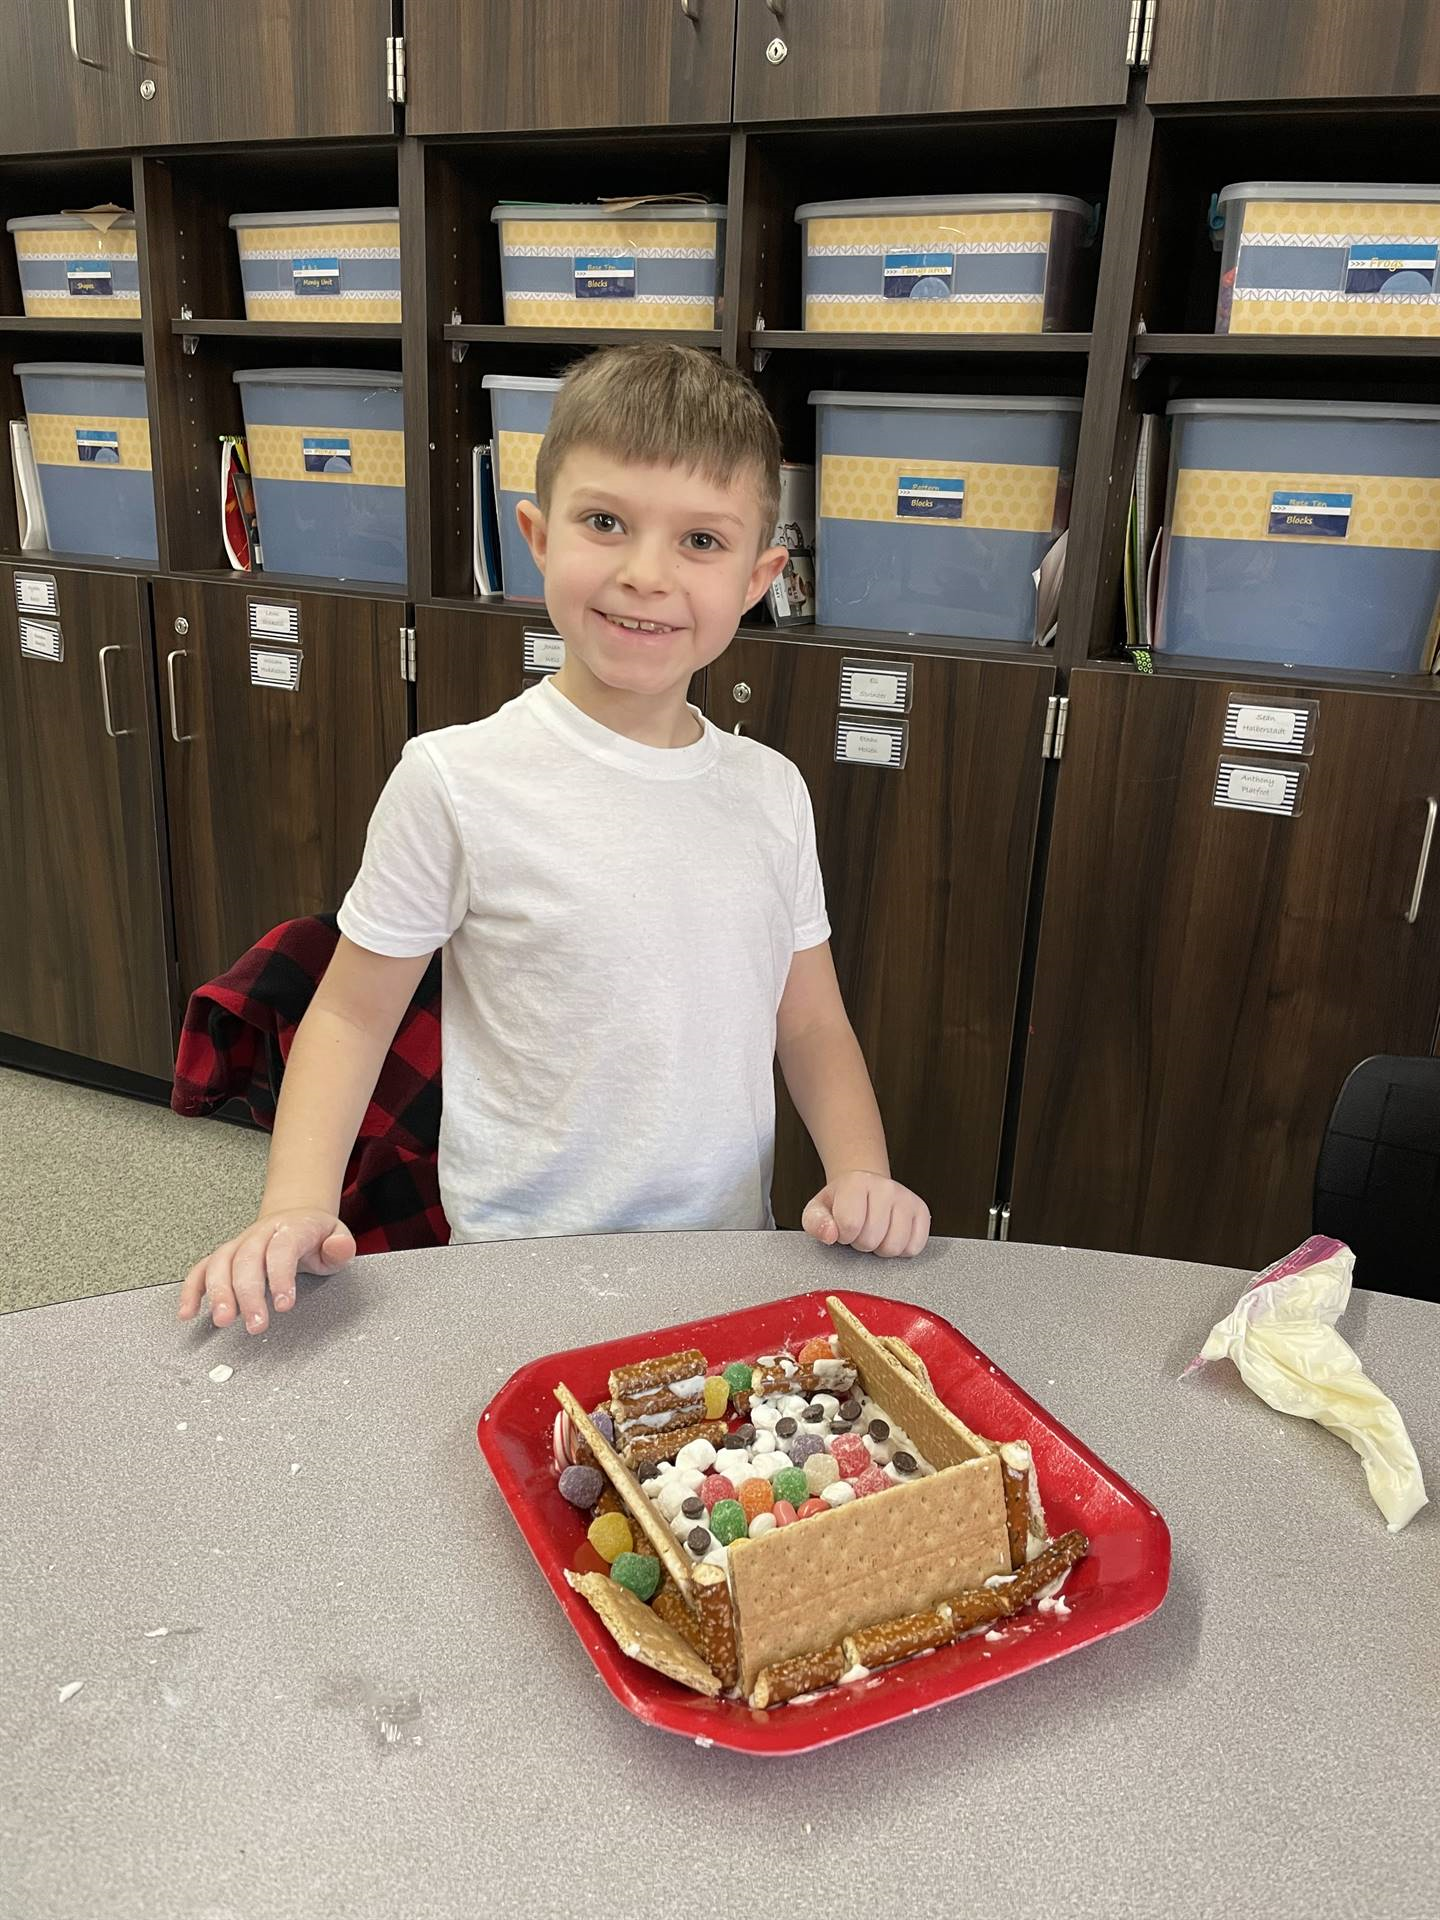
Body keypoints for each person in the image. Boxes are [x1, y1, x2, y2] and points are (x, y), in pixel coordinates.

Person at [179, 344, 931, 1336]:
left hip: (722, 1260)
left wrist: (862, 1175)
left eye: (700, 541)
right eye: (605, 522)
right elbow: (352, 1016)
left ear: (760, 576)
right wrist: (292, 1207)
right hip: (517, 1267)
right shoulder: (456, 779)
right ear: (536, 533)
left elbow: (811, 1026)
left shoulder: (772, 794)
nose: (645, 574)